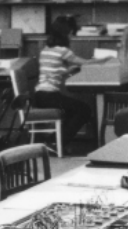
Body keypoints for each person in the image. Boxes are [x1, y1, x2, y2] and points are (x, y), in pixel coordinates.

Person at [33, 16, 96, 149]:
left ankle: (55, 141)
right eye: (71, 33)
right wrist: (105, 59)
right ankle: (55, 142)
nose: (72, 37)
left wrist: (67, 70)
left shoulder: (46, 50)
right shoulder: (63, 51)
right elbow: (85, 62)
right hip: (50, 96)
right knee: (85, 110)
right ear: (66, 34)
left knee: (73, 110)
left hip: (39, 95)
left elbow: (52, 71)